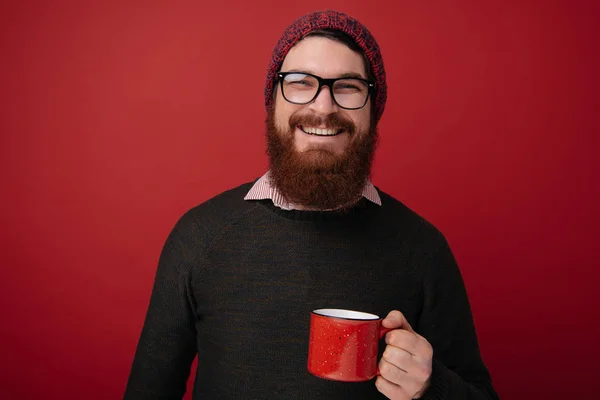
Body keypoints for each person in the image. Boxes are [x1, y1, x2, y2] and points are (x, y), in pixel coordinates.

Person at [124, 10, 499, 400]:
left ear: (374, 110)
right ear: (273, 101)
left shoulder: (423, 249)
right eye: (301, 83)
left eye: (348, 86)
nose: (323, 107)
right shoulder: (200, 237)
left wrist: (431, 386)